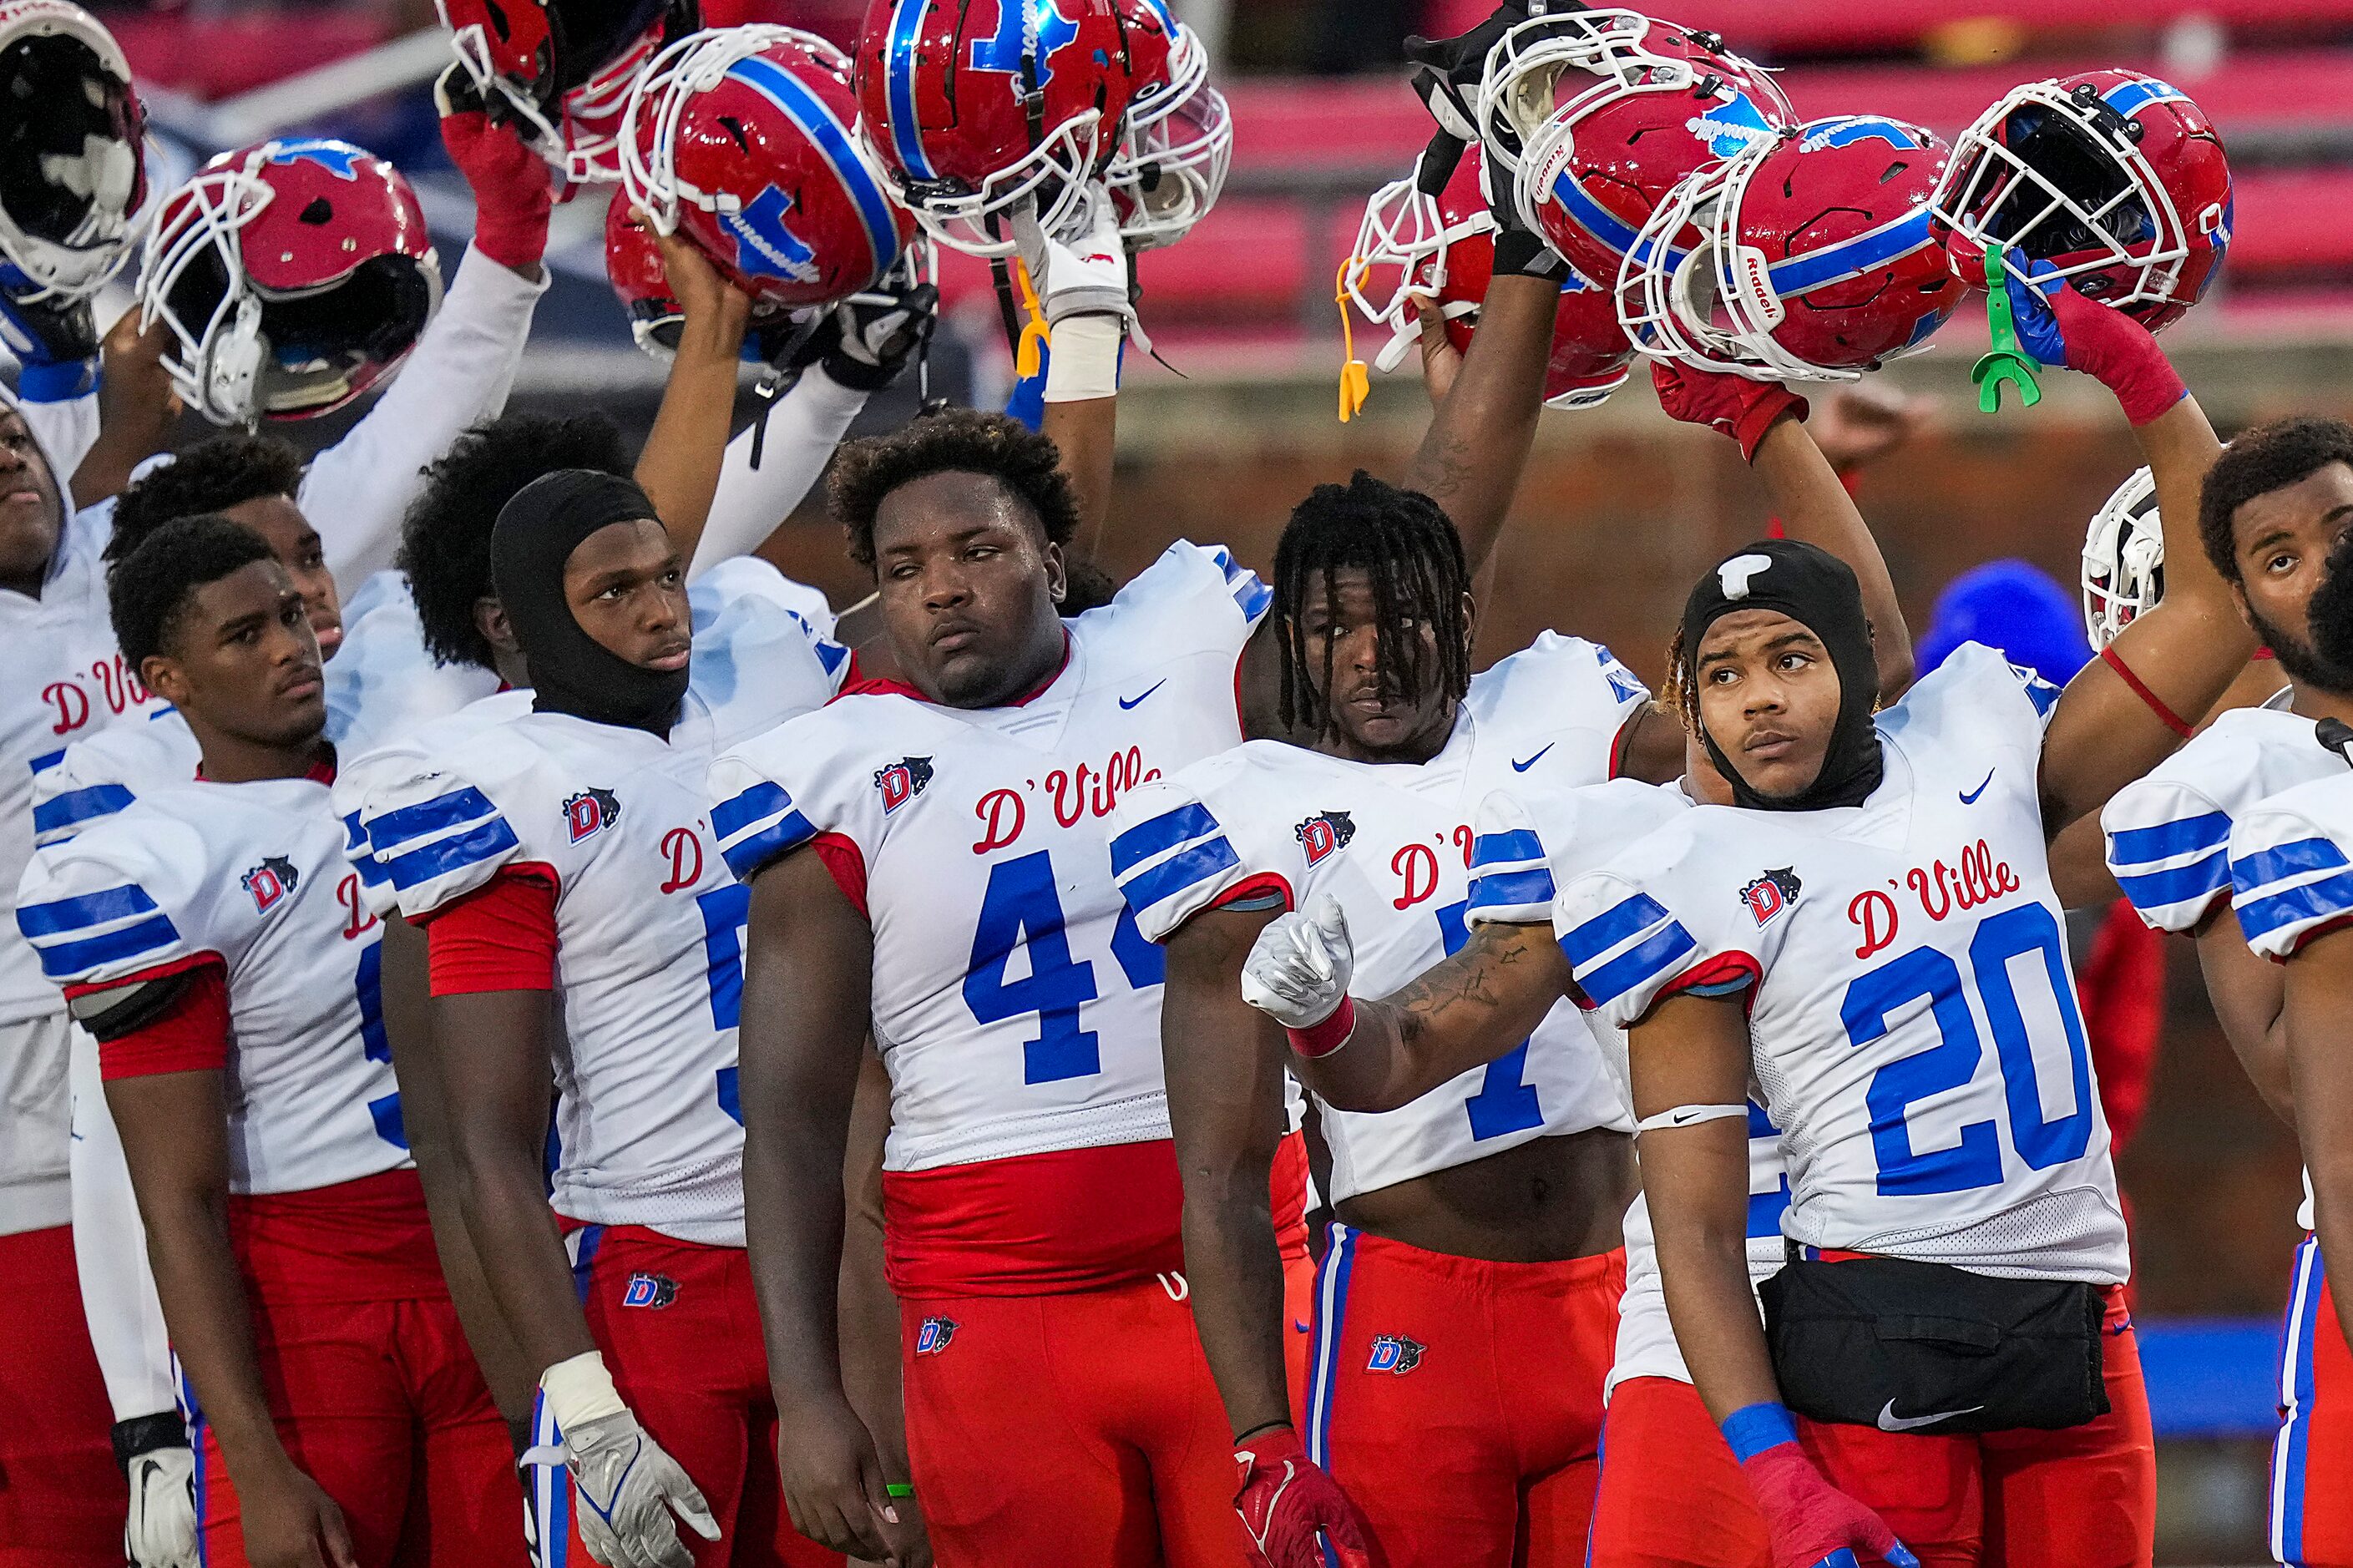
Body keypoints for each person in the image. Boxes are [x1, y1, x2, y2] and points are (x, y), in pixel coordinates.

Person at [1235, 275, 2251, 1568]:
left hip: (2037, 1320)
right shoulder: (1648, 855)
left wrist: (2125, 370)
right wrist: (1325, 1017)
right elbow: (1419, 1048)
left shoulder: (1968, 753)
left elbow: (2209, 600)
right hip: (1751, 1327)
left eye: (1788, 661)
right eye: (1722, 674)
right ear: (1684, 703)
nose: (1760, 698)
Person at [701, 154, 1579, 1563]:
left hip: (1236, 1263)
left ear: (1049, 555)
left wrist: (1526, 274)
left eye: (977, 545)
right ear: (872, 589)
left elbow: (1415, 551)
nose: (942, 580)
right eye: (905, 559)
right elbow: (796, 1121)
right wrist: (813, 1389)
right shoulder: (832, 774)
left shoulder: (1176, 650)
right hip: (986, 1292)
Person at [1103, 343, 1913, 1566]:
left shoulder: (1564, 710)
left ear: (1464, 619)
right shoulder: (1246, 811)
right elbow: (1219, 1169)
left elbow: (1851, 684)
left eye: (1405, 619)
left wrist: (1775, 435)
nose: (1374, 655)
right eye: (1334, 628)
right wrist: (1263, 1438)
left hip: (1622, 1287)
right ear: (1295, 648)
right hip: (1409, 1311)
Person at [354, 469, 858, 1568]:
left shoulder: (775, 721)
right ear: (531, 621)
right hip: (646, 1282)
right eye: (614, 591)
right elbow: (487, 1145)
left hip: (831, 1266)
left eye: (668, 576)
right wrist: (577, 1403)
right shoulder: (505, 785)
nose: (661, 609)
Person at [15, 514, 528, 1568]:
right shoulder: (160, 859)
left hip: (483, 1266)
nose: (291, 645)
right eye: (244, 636)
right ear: (170, 679)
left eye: (291, 614)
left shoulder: (423, 789)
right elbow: (173, 1196)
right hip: (308, 1313)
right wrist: (234, 1450)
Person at [2168, 429, 2353, 1566]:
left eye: (2342, 532)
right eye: (2279, 557)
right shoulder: (2240, 776)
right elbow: (2299, 1082)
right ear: (2242, 603)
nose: (2324, 570)